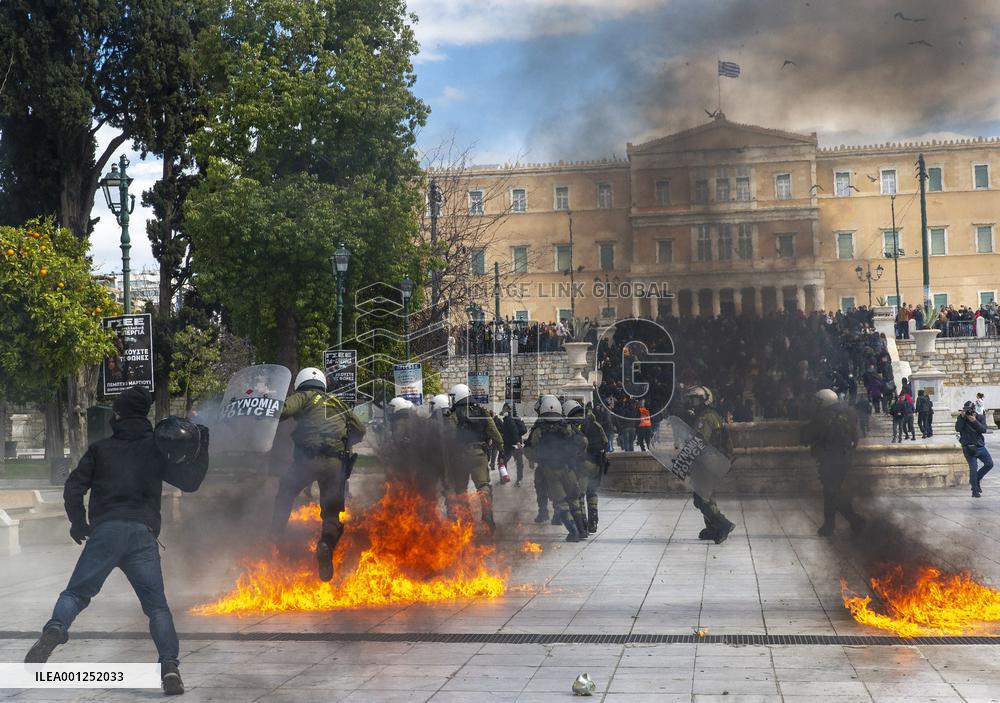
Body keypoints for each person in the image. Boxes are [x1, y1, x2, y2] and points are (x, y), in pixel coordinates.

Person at [25, 386, 209, 695]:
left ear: (118, 416)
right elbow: (190, 482)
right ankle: (169, 668)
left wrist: (78, 522)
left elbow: (73, 487)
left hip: (105, 532)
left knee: (76, 593)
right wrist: (203, 446)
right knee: (157, 609)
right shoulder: (156, 449)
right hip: (142, 535)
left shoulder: (100, 449)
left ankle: (56, 627)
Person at [269, 367, 366, 581]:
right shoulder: (338, 403)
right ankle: (325, 545)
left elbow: (283, 411)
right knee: (331, 514)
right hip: (335, 464)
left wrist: (265, 404)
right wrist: (345, 440)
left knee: (285, 491)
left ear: (301, 383)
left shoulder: (304, 396)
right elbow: (360, 429)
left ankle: (274, 538)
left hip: (308, 460)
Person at [801, 389, 866, 537]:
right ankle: (844, 523)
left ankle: (845, 523)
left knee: (831, 492)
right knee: (833, 492)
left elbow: (807, 436)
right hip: (845, 456)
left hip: (830, 459)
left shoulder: (823, 416)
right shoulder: (849, 412)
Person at [525, 395, 589, 541]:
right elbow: (583, 441)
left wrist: (537, 458)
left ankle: (573, 533)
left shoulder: (538, 429)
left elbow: (529, 450)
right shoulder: (567, 426)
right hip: (568, 468)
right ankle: (582, 531)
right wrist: (575, 454)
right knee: (573, 499)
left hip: (550, 471)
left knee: (561, 502)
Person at [445, 383, 505, 533]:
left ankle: (467, 520)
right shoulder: (482, 411)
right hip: (479, 454)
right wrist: (501, 448)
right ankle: (488, 517)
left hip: (461, 457)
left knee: (460, 489)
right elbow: (495, 433)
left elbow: (449, 437)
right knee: (483, 486)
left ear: (458, 396)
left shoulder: (453, 415)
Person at [681, 386, 736, 544]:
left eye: (695, 400)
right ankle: (713, 528)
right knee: (705, 496)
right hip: (712, 461)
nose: (692, 403)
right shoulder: (712, 414)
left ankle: (723, 525)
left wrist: (685, 457)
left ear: (705, 399)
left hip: (707, 462)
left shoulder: (705, 418)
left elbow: (699, 440)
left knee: (702, 498)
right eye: (691, 400)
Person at [564, 400, 608, 534]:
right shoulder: (595, 423)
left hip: (582, 464)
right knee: (592, 493)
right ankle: (593, 520)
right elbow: (605, 442)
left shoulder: (573, 425)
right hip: (596, 464)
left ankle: (582, 524)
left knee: (579, 495)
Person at [957, 400, 993, 498]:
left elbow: (983, 429)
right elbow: (957, 428)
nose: (968, 412)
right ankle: (975, 490)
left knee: (989, 464)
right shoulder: (962, 419)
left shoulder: (980, 417)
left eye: (969, 410)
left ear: (973, 410)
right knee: (973, 468)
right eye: (966, 410)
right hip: (968, 447)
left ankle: (977, 479)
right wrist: (961, 417)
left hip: (980, 446)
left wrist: (974, 421)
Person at [499, 403, 528, 486]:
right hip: (517, 444)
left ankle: (503, 478)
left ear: (508, 409)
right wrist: (518, 438)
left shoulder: (508, 418)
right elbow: (524, 430)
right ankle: (519, 479)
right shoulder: (518, 418)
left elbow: (514, 430)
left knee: (502, 460)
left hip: (510, 444)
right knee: (519, 463)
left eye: (504, 408)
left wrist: (516, 441)